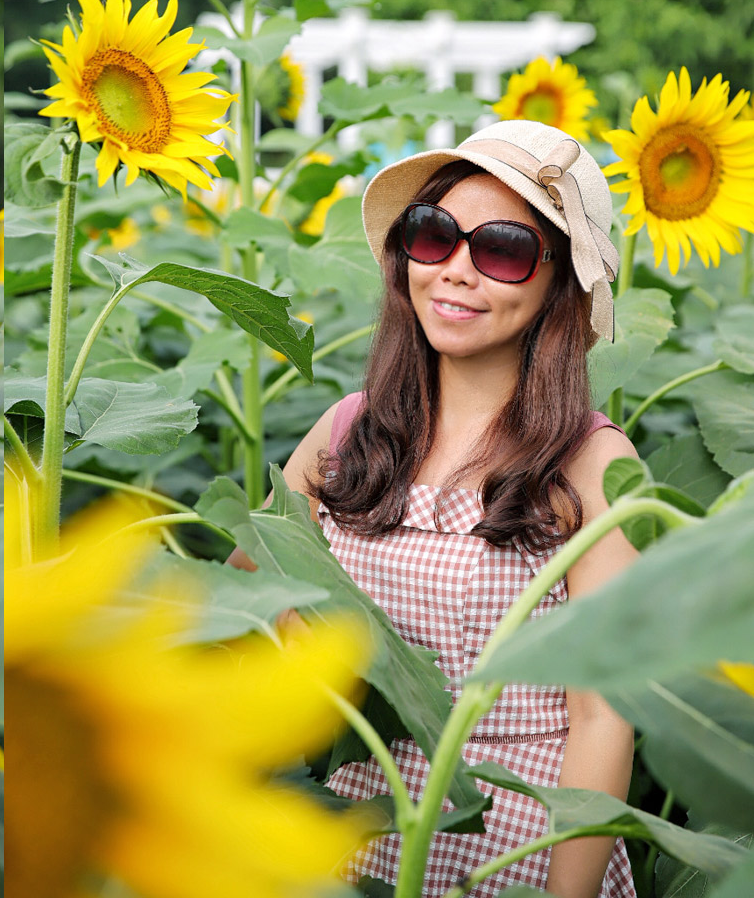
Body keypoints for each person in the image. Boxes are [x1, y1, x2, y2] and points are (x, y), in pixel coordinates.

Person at [233, 120, 637, 897]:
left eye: (503, 251)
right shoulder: (348, 431)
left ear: (557, 283)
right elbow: (244, 589)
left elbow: (603, 716)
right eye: (434, 235)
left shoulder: (591, 463)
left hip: (518, 841)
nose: (455, 270)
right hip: (356, 822)